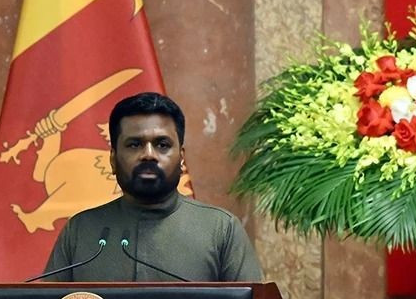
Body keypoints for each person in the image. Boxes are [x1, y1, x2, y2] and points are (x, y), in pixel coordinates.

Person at [39, 92, 263, 282]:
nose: (148, 154)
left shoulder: (220, 231)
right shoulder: (80, 231)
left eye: (162, 145)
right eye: (134, 144)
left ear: (182, 158)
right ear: (113, 160)